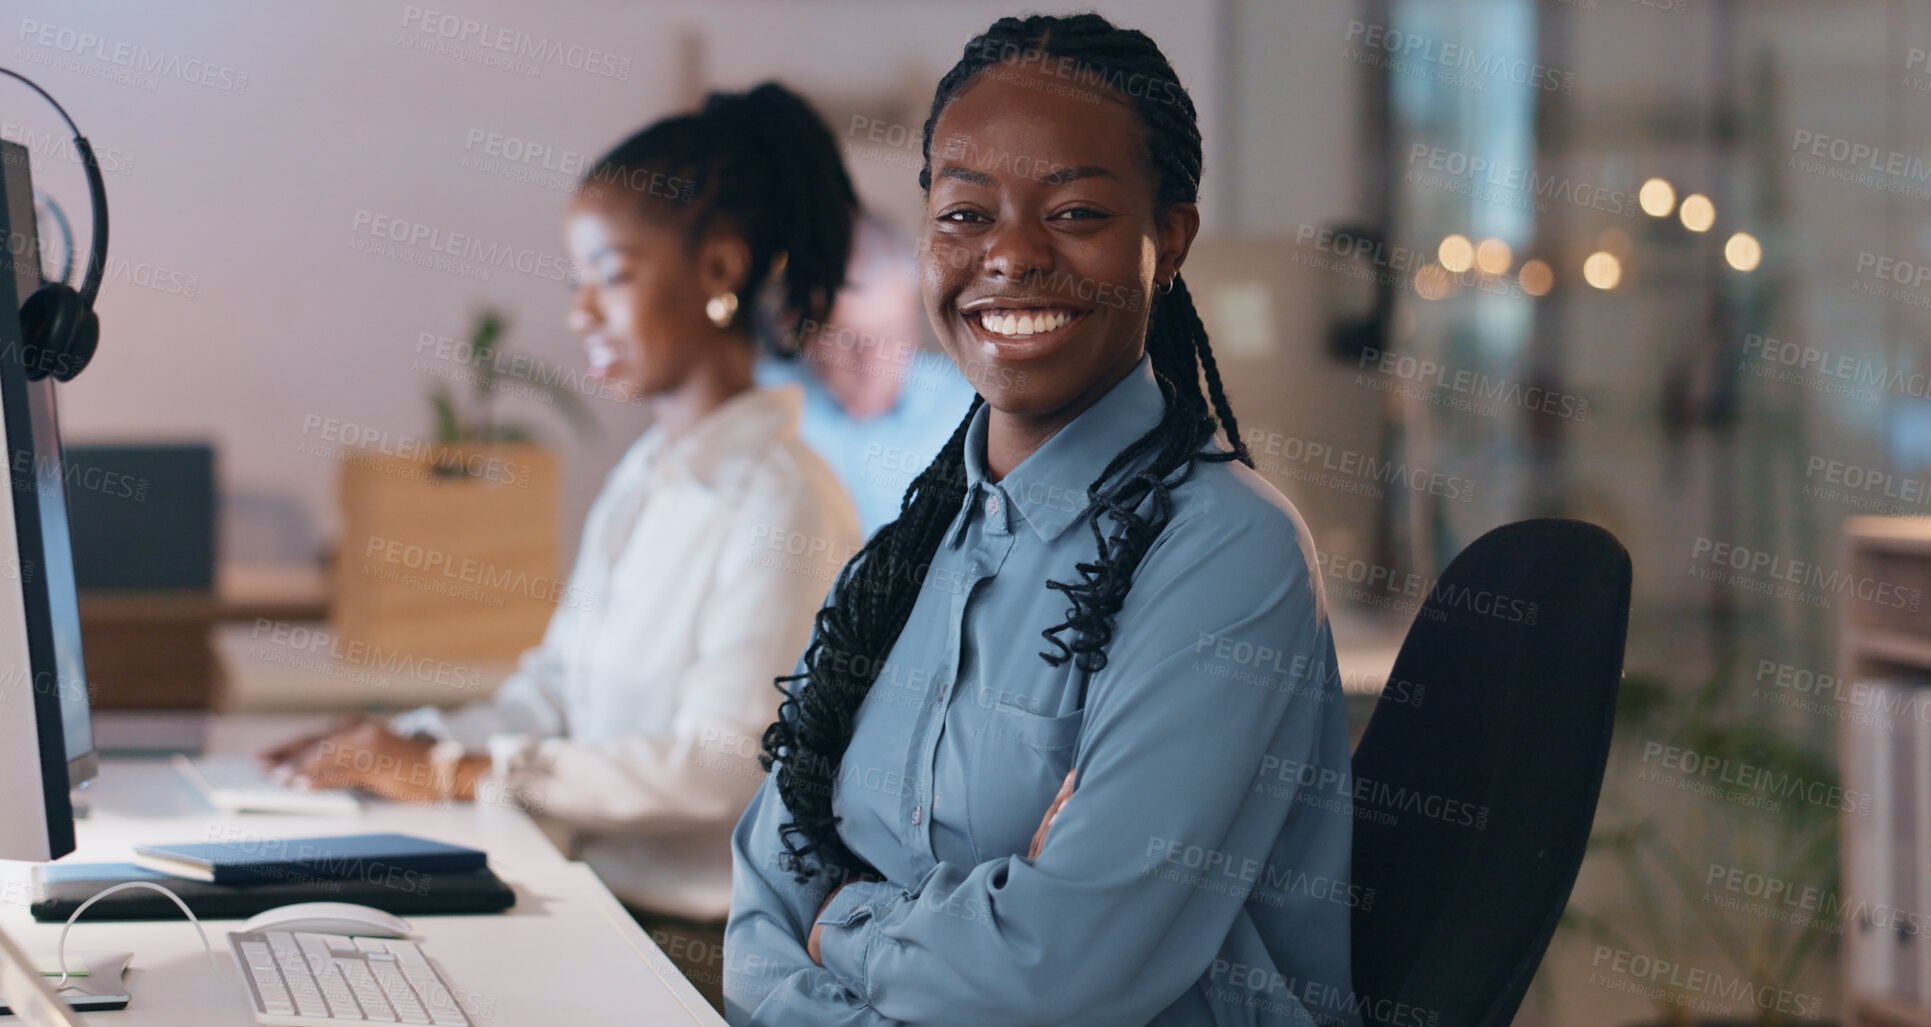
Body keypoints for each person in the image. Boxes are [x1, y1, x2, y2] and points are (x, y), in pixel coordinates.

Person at [724, 14, 1357, 1027]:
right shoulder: (916, 544)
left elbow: (1058, 975)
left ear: (1171, 240)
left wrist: (844, 924)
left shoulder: (1228, 552)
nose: (1010, 256)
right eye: (966, 214)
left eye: (1074, 211)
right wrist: (913, 937)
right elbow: (764, 897)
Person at [262, 82, 863, 1009]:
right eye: (575, 280)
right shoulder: (645, 477)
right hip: (606, 902)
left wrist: (459, 773)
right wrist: (398, 742)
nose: (582, 312)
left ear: (717, 270)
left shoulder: (782, 499)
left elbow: (714, 764)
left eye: (612, 274)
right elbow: (553, 690)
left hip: (701, 949)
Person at [756, 211, 976, 535]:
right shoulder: (760, 405)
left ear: (916, 327)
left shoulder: (970, 413)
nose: (871, 362)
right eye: (849, 339)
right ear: (808, 333)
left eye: (891, 335)